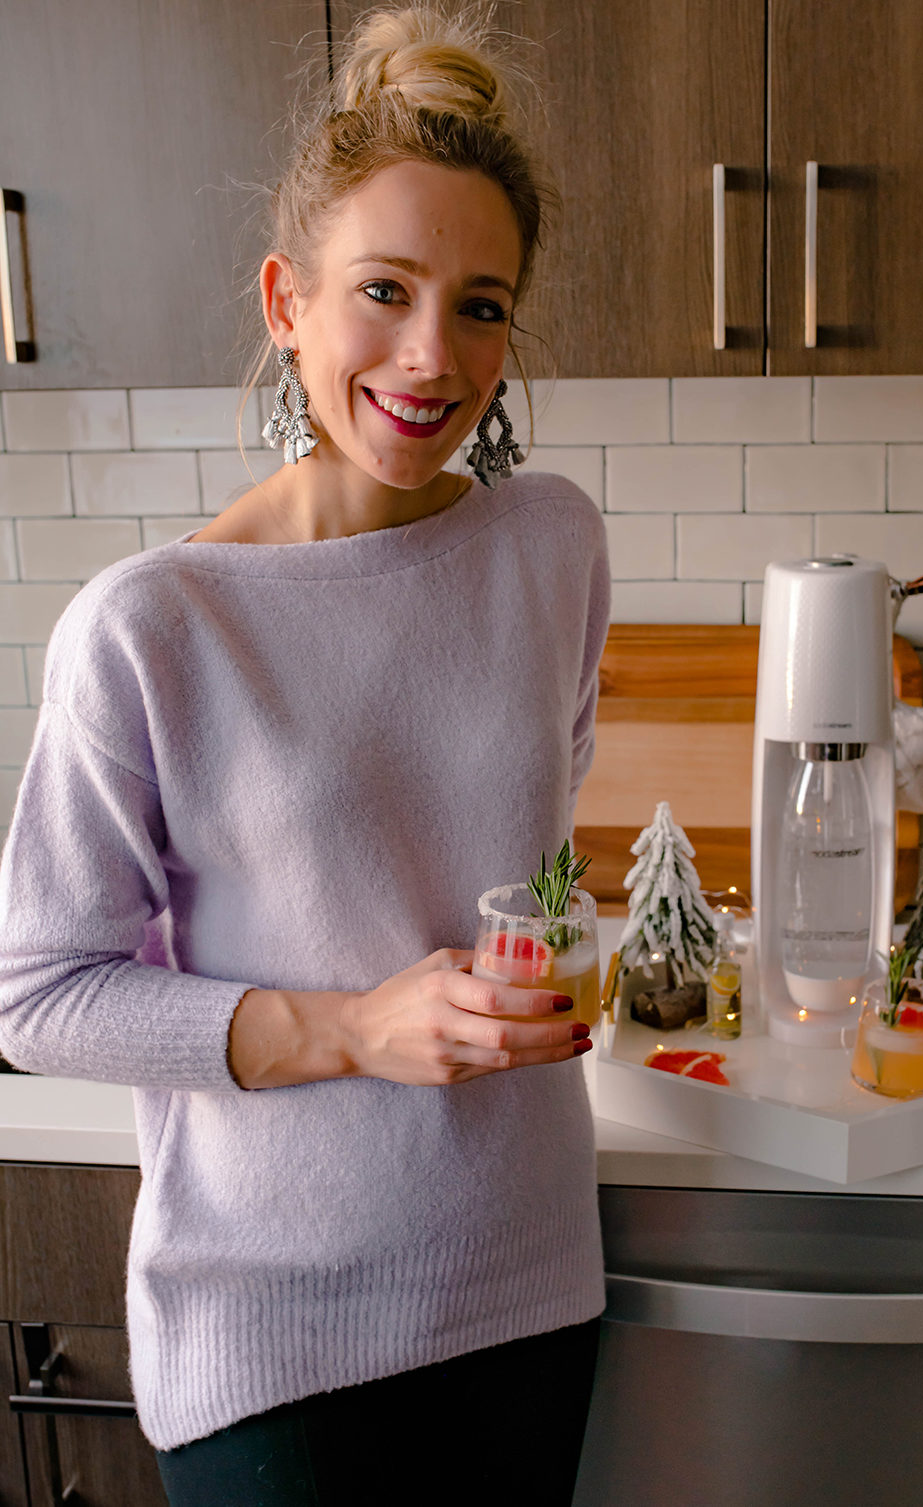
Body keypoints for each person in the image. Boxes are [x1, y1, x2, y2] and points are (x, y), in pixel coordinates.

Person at [0, 7, 610, 1504]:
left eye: (481, 306)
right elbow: (36, 995)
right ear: (287, 301)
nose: (429, 356)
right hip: (274, 1333)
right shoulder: (153, 626)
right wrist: (355, 1028)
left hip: (527, 1284)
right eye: (383, 292)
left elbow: (529, 837)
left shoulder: (552, 544)